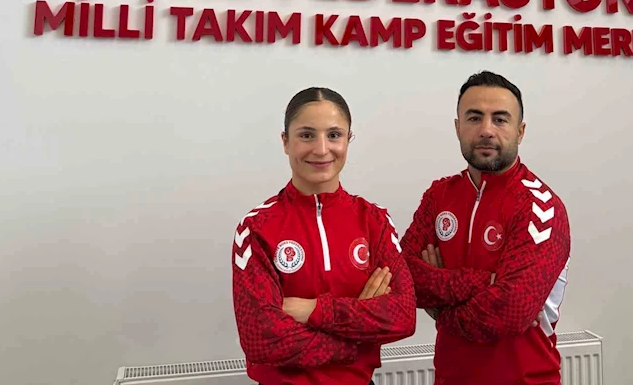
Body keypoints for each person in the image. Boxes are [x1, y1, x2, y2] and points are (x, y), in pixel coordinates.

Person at [231, 87, 417, 385]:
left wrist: (314, 310)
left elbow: (403, 316)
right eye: (306, 135)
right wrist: (357, 340)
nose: (321, 149)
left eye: (334, 135)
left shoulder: (374, 221)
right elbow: (261, 339)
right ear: (285, 142)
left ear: (348, 139)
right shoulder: (256, 228)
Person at [400, 71, 572, 385]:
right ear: (457, 127)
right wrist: (483, 282)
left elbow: (509, 313)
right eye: (474, 118)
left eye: (500, 119)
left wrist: (439, 302)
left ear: (520, 131)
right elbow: (403, 279)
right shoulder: (439, 196)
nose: (486, 130)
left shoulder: (541, 207)